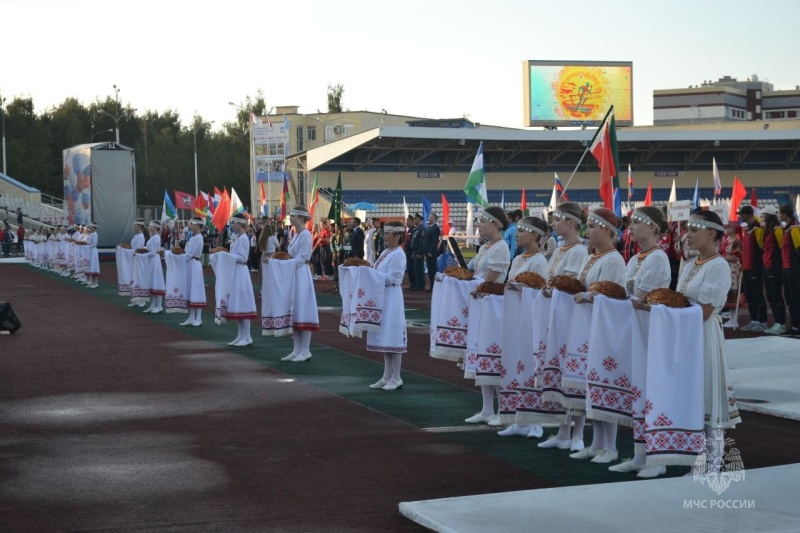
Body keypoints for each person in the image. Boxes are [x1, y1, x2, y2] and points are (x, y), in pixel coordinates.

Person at [605, 206, 671, 476]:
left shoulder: (658, 259)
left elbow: (646, 299)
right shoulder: (633, 259)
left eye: (636, 223)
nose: (630, 228)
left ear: (653, 228)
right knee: (638, 392)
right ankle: (640, 453)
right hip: (635, 328)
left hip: (650, 329)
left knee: (651, 392)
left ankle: (658, 458)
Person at [675, 210, 741, 476]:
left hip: (703, 333)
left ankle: (713, 461)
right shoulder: (691, 264)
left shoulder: (718, 265)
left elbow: (704, 311)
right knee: (692, 394)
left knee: (708, 393)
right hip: (687, 334)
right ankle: (696, 457)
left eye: (693, 230)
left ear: (711, 233)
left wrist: (666, 310)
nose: (687, 235)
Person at [563, 208, 626, 465]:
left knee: (604, 383)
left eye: (592, 227)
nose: (587, 232)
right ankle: (597, 442)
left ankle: (610, 446)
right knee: (592, 386)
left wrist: (590, 296)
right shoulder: (593, 257)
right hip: (588, 325)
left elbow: (612, 294)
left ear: (608, 231)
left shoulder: (613, 260)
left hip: (604, 328)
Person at [537, 202, 588, 452]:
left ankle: (578, 432)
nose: (554, 223)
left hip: (570, 316)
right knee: (558, 371)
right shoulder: (558, 249)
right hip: (555, 315)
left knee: (573, 372)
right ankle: (563, 430)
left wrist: (553, 287)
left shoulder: (579, 251)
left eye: (558, 219)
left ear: (571, 222)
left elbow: (572, 284)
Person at [497, 216, 549, 439]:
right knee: (514, 364)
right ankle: (518, 418)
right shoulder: (518, 259)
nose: (516, 234)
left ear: (535, 235)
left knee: (530, 365)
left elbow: (540, 292)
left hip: (530, 319)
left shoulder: (540, 261)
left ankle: (535, 422)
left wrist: (523, 289)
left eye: (522, 231)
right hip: (516, 317)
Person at [464, 206, 511, 426]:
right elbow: (473, 273)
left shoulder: (500, 248)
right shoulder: (485, 247)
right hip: (481, 303)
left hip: (492, 305)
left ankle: (503, 408)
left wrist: (474, 285)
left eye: (483, 221)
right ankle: (486, 408)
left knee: (494, 355)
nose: (479, 224)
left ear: (495, 224)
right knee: (482, 354)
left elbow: (490, 281)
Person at [367, 221, 408, 391]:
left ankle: (396, 376)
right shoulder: (386, 251)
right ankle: (386, 375)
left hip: (392, 296)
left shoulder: (398, 254)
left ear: (396, 235)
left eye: (387, 233)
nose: (384, 236)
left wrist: (369, 275)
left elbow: (392, 278)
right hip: (383, 296)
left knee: (393, 334)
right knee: (385, 335)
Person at [280, 207, 320, 362]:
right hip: (293, 273)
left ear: (302, 218)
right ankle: (296, 350)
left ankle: (305, 350)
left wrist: (282, 264)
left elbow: (302, 258)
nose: (290, 218)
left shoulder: (306, 235)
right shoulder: (295, 234)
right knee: (295, 311)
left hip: (301, 274)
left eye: (293, 216)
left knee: (303, 310)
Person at [220, 216, 258, 346]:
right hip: (235, 272)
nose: (231, 225)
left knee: (243, 304)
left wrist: (227, 256)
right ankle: (240, 335)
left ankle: (247, 337)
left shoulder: (243, 239)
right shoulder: (236, 238)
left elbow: (243, 258)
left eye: (234, 223)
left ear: (241, 224)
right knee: (238, 303)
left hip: (241, 272)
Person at [738, 205, 768, 331]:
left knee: (757, 295)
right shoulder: (748, 229)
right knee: (750, 296)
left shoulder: (758, 228)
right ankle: (754, 320)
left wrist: (757, 265)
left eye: (741, 214)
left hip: (755, 268)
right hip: (746, 267)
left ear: (747, 215)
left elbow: (762, 248)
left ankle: (762, 322)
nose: (740, 216)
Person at [761, 206, 786, 335]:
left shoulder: (777, 229)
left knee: (776, 296)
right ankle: (777, 322)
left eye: (764, 215)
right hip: (767, 265)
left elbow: (782, 247)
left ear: (769, 216)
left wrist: (777, 264)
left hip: (774, 266)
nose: (762, 217)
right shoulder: (768, 230)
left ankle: (781, 323)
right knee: (770, 296)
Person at [180, 217, 207, 327]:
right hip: (189, 264)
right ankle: (191, 317)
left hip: (194, 264)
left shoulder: (198, 238)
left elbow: (190, 254)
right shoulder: (192, 237)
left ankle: (198, 318)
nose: (189, 225)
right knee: (190, 289)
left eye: (192, 224)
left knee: (196, 289)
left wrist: (177, 257)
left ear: (198, 225)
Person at [778, 204, 800, 336]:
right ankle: (795, 326)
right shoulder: (786, 229)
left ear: (785, 214)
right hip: (786, 267)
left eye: (780, 213)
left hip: (793, 268)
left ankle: (797, 326)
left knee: (796, 298)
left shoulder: (795, 228)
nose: (779, 216)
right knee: (790, 299)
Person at [143, 220, 166, 314]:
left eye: (151, 226)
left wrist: (143, 254)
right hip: (151, 260)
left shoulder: (156, 237)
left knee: (157, 281)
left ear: (155, 228)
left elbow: (153, 252)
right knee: (152, 281)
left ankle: (159, 305)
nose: (149, 227)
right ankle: (153, 304)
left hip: (154, 261)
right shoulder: (153, 237)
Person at [422, 212, 441, 291]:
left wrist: (430, 252)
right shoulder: (430, 227)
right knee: (430, 270)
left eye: (430, 217)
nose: (429, 218)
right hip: (428, 252)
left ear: (434, 219)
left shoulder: (435, 228)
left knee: (433, 270)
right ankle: (431, 285)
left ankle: (434, 286)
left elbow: (434, 242)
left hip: (431, 253)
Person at [411, 213, 426, 291]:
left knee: (419, 269)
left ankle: (421, 285)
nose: (414, 220)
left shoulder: (422, 229)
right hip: (414, 251)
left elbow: (421, 242)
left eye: (416, 219)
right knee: (416, 269)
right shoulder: (416, 229)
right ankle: (417, 284)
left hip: (418, 251)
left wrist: (420, 252)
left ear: (419, 220)